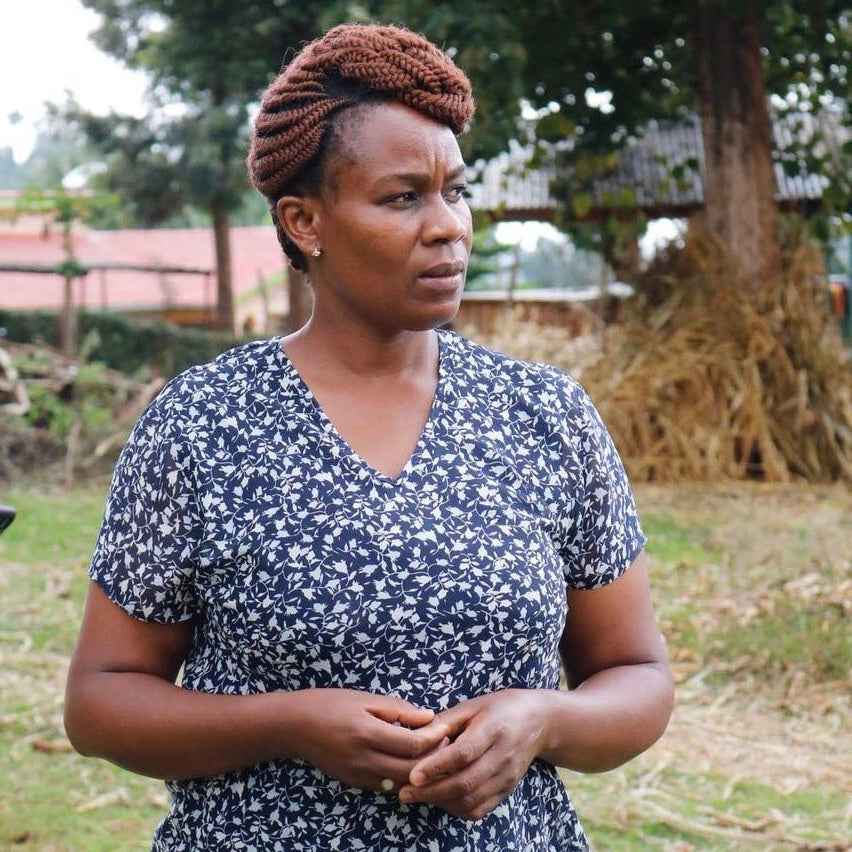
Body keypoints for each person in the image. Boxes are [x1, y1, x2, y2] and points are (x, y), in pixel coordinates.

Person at [64, 23, 674, 851]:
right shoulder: (203, 425)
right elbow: (101, 701)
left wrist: (546, 720)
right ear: (304, 220)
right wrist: (288, 725)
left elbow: (639, 678)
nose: (449, 226)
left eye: (455, 191)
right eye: (401, 198)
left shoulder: (546, 416)